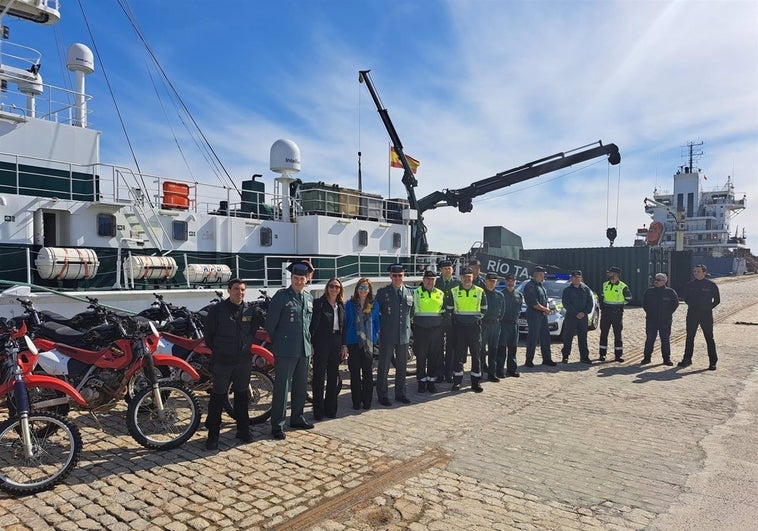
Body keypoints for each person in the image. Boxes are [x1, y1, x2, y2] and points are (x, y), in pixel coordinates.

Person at [203, 278, 256, 450]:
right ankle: (213, 436)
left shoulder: (250, 310)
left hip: (243, 360)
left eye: (242, 289)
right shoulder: (217, 310)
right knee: (218, 397)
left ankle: (243, 430)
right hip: (223, 360)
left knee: (241, 396)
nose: (239, 292)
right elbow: (209, 337)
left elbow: (254, 331)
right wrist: (222, 350)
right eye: (236, 289)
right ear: (228, 290)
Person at [266, 260, 315, 440]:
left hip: (304, 348)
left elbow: (308, 326)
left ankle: (297, 417)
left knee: (301, 386)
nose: (298, 281)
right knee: (282, 388)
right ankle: (277, 424)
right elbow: (271, 325)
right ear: (291, 278)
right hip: (285, 350)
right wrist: (280, 344)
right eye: (295, 278)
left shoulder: (309, 298)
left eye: (301, 278)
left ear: (306, 279)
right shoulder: (282, 297)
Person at [375, 264, 414, 406]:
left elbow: (412, 313)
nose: (397, 278)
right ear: (390, 276)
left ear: (404, 276)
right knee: (384, 366)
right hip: (387, 335)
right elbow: (376, 314)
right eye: (394, 275)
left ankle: (400, 393)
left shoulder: (410, 292)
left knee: (402, 366)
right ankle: (382, 395)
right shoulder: (382, 292)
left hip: (403, 335)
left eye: (400, 275)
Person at [309, 277, 347, 420]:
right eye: (331, 286)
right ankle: (318, 411)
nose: (334, 289)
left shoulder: (341, 305)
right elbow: (313, 325)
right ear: (327, 288)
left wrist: (344, 346)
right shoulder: (319, 304)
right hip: (321, 342)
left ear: (340, 290)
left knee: (333, 377)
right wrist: (311, 343)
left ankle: (330, 409)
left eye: (337, 287)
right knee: (318, 377)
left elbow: (343, 327)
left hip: (336, 342)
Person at [447, 267, 487, 392]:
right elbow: (449, 308)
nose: (467, 279)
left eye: (469, 277)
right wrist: (459, 320)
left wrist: (474, 319)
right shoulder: (453, 291)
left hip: (474, 328)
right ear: (461, 278)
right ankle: (457, 382)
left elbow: (484, 309)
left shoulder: (480, 291)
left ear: (473, 277)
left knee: (476, 355)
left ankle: (476, 383)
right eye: (464, 277)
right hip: (459, 328)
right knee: (458, 356)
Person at [345, 278, 380, 410]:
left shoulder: (374, 304)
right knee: (354, 373)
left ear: (369, 290)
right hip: (353, 341)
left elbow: (377, 322)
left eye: (366, 288)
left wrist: (375, 336)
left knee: (367, 373)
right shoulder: (350, 304)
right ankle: (356, 401)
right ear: (357, 289)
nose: (363, 290)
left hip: (368, 343)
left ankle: (367, 401)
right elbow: (347, 322)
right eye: (361, 287)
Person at [679, 264, 720, 370]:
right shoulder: (690, 285)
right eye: (695, 272)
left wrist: (707, 307)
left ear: (704, 273)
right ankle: (687, 359)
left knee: (709, 338)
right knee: (689, 337)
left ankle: (713, 361)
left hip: (706, 315)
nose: (696, 273)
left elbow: (717, 300)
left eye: (698, 271)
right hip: (692, 314)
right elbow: (686, 298)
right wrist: (693, 306)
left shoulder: (711, 285)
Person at [412, 270, 446, 393]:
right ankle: (421, 382)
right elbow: (411, 313)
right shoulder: (416, 293)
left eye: (432, 279)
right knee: (421, 358)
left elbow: (444, 312)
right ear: (423, 279)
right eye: (427, 279)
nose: (429, 281)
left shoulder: (440, 294)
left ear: (435, 280)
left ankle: (431, 382)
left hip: (436, 331)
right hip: (421, 330)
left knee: (433, 358)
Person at [523, 266, 557, 367]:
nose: (543, 277)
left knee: (545, 337)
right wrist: (545, 310)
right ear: (537, 275)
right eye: (542, 275)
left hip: (542, 315)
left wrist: (546, 309)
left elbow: (545, 300)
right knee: (533, 338)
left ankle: (547, 359)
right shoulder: (530, 286)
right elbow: (533, 303)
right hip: (534, 314)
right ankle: (529, 360)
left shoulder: (541, 286)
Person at [642, 273, 678, 366]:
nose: (656, 281)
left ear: (664, 281)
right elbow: (644, 304)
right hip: (651, 320)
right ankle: (647, 358)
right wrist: (650, 313)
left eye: (658, 280)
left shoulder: (670, 292)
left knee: (665, 339)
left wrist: (667, 313)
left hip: (665, 320)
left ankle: (666, 359)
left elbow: (675, 304)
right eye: (655, 279)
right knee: (650, 339)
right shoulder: (649, 292)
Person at [598, 266, 632, 362]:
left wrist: (620, 306)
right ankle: (602, 355)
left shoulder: (623, 286)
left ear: (616, 274)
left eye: (610, 273)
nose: (608, 274)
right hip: (606, 313)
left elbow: (629, 298)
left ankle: (618, 355)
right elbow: (602, 297)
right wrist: (603, 306)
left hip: (617, 313)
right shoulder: (605, 284)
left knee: (617, 334)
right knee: (604, 333)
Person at [560, 270, 594, 364]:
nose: (576, 279)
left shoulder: (585, 289)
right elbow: (566, 303)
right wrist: (576, 313)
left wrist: (584, 312)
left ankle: (584, 357)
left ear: (581, 279)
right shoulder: (567, 290)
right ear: (571, 279)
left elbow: (590, 302)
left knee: (583, 338)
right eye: (575, 278)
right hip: (571, 317)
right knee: (568, 337)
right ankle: (565, 356)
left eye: (578, 278)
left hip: (583, 317)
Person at [435, 259, 460, 383]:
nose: (447, 270)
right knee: (438, 346)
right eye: (445, 269)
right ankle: (439, 373)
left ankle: (449, 372)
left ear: (453, 269)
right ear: (441, 270)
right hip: (439, 320)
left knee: (451, 347)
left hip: (452, 320)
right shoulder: (436, 282)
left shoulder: (457, 283)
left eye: (449, 268)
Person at [480, 272, 504, 381]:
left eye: (494, 281)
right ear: (486, 281)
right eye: (489, 281)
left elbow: (502, 311)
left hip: (495, 325)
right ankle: (478, 373)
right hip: (483, 325)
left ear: (497, 282)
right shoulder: (481, 294)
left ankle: (492, 373)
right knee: (481, 350)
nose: (491, 283)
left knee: (493, 350)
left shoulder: (500, 295)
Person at [498, 273, 522, 378]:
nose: (510, 283)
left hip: (514, 325)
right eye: (508, 281)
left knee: (513, 349)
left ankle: (512, 369)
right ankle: (499, 370)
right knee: (502, 348)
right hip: (503, 324)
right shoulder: (501, 294)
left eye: (512, 281)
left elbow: (519, 309)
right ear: (505, 281)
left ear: (515, 282)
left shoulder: (519, 295)